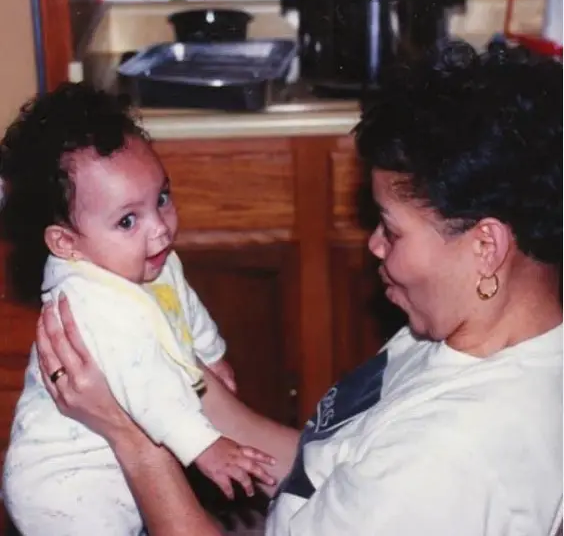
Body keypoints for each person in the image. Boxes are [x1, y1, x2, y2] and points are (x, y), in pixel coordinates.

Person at [18, 38, 564, 535]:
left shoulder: (443, 466)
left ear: (486, 247)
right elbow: (329, 467)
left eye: (390, 229)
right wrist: (187, 374)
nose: (374, 245)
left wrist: (131, 438)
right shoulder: (466, 331)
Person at [0, 83, 278, 536]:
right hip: (64, 486)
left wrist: (210, 354)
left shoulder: (147, 261)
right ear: (65, 243)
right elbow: (145, 384)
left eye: (162, 199)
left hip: (116, 462)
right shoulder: (92, 303)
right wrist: (203, 446)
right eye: (128, 220)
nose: (159, 229)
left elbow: (183, 307)